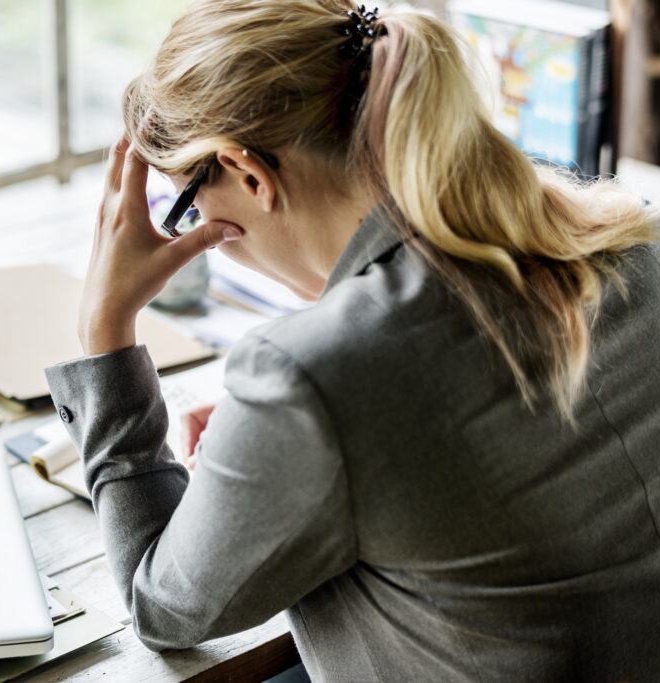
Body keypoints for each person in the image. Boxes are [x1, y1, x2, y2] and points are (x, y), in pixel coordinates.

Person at [44, 0, 660, 679]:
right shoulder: (624, 239)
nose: (190, 233)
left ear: (249, 175)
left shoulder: (309, 374)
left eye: (187, 206)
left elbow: (162, 607)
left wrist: (105, 333)